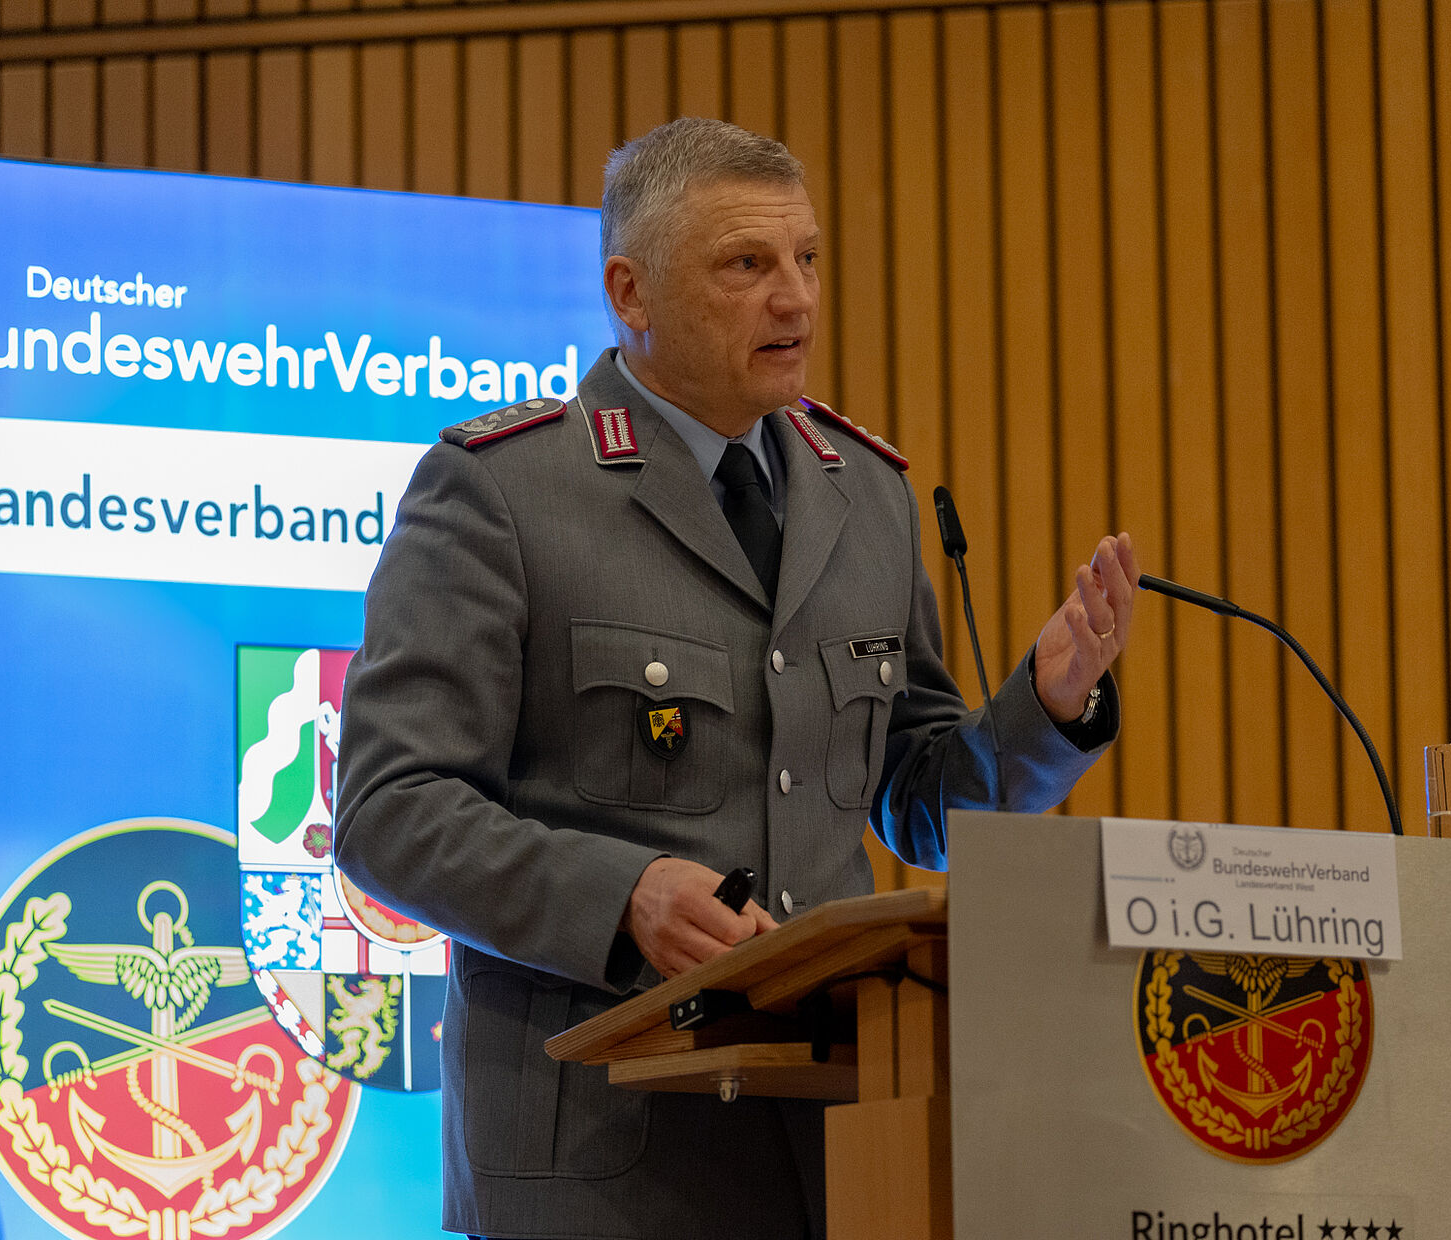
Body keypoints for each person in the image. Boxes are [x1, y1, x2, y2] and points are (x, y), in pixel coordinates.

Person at [333, 116, 1140, 1240]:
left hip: (846, 1147)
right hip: (603, 1169)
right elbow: (389, 812)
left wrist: (1045, 712)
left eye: (807, 258)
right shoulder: (503, 494)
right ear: (632, 290)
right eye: (746, 265)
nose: (796, 300)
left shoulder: (865, 494)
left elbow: (918, 800)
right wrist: (623, 898)